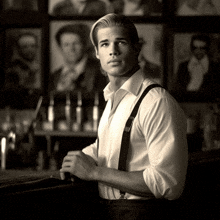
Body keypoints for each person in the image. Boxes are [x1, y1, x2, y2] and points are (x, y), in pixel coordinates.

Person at [60, 13, 188, 219]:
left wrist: (94, 173)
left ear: (136, 48)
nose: (113, 51)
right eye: (104, 44)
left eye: (121, 42)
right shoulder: (112, 97)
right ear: (96, 52)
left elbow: (168, 183)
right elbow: (113, 144)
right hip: (111, 211)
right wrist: (82, 157)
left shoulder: (156, 102)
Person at [173, 34, 220, 100]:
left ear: (207, 49)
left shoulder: (216, 67)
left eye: (202, 48)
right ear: (192, 48)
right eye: (195, 48)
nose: (198, 51)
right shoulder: (183, 66)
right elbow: (178, 89)